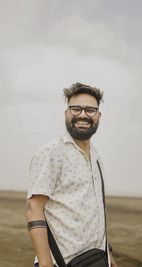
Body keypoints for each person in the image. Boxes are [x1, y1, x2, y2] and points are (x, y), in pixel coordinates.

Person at [26, 82, 118, 267]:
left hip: (96, 259)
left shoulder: (96, 156)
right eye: (76, 109)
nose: (83, 114)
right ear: (67, 113)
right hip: (62, 262)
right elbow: (33, 209)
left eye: (90, 110)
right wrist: (45, 264)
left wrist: (108, 257)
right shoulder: (52, 152)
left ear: (98, 116)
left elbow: (95, 211)